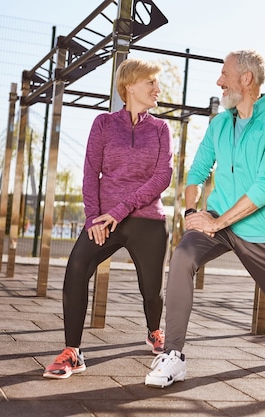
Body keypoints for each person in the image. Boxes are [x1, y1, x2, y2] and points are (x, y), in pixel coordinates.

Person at [145, 50, 265, 389]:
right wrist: (193, 214)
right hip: (215, 218)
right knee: (182, 256)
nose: (219, 81)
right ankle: (174, 356)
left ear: (246, 79)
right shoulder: (219, 123)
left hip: (256, 228)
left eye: (224, 74)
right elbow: (196, 172)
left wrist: (216, 224)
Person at [43, 58, 173, 379]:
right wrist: (92, 219)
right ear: (130, 86)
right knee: (76, 268)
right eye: (151, 83)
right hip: (103, 218)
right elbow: (91, 172)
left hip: (145, 219)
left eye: (157, 83)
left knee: (151, 290)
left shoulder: (160, 128)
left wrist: (119, 211)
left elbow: (163, 176)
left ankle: (154, 330)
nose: (157, 89)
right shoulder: (103, 123)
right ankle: (72, 351)